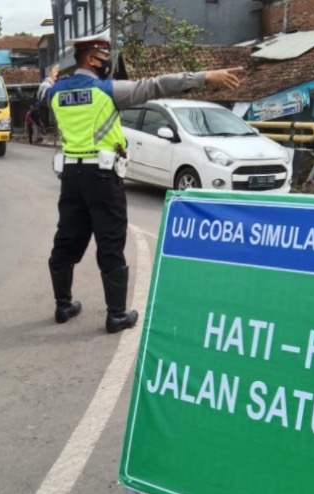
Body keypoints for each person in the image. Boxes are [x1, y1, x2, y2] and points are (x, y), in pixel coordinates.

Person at [38, 31, 243, 334]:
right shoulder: (108, 90)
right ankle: (116, 314)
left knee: (67, 237)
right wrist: (205, 76)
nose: (108, 65)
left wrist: (48, 77)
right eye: (105, 59)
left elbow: (42, 94)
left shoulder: (56, 92)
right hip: (102, 177)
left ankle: (63, 305)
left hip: (71, 178)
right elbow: (157, 85)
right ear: (93, 59)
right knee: (109, 240)